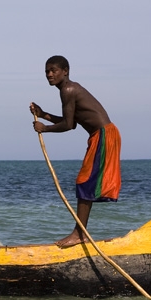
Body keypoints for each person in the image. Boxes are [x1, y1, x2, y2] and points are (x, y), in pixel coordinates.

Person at [29, 55, 121, 248]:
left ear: (65, 71)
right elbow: (71, 121)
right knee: (85, 182)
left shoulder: (68, 90)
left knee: (84, 181)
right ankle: (80, 233)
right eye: (47, 71)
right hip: (101, 136)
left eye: (54, 70)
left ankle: (80, 234)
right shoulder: (67, 90)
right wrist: (43, 114)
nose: (49, 74)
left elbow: (69, 125)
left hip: (104, 136)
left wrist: (44, 128)